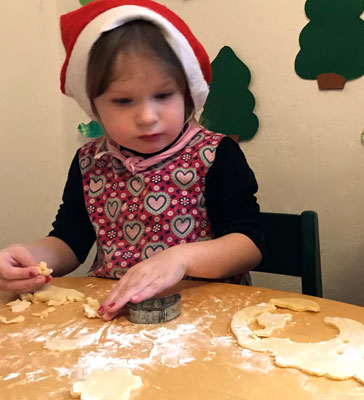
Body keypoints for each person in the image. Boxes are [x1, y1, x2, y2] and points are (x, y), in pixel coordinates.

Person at [0, 0, 263, 321]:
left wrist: (181, 259)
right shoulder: (90, 162)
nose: (146, 116)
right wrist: (29, 258)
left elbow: (248, 244)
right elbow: (69, 240)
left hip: (204, 314)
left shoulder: (214, 154)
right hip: (116, 316)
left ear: (188, 94)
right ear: (94, 107)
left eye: (164, 95)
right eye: (123, 101)